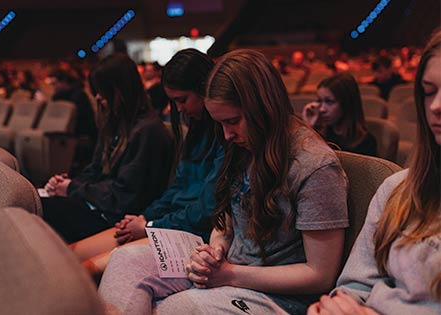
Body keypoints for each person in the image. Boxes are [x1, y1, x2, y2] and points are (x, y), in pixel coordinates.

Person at [98, 49, 349, 315]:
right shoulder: (245, 145)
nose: (227, 135)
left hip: (276, 296)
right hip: (230, 268)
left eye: (232, 121)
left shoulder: (316, 166)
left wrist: (230, 274)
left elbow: (319, 274)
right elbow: (227, 222)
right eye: (220, 124)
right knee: (125, 261)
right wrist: (215, 250)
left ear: (264, 107)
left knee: (173, 309)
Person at [308, 29, 441, 315]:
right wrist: (338, 306)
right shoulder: (396, 188)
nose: (436, 106)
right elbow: (355, 285)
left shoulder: (366, 140)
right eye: (429, 92)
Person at [70, 48, 224, 277]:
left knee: (85, 271)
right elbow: (177, 188)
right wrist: (146, 217)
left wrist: (151, 225)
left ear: (205, 90)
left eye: (182, 100)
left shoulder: (225, 135)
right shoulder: (197, 130)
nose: (179, 109)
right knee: (68, 256)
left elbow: (206, 210)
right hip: (168, 223)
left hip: (191, 233)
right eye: (174, 102)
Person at [42, 53, 174, 243]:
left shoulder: (148, 131)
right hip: (98, 204)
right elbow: (94, 171)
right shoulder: (115, 123)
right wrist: (67, 183)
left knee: (40, 212)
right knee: (33, 207)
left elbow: (124, 197)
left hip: (115, 217)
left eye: (102, 91)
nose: (98, 97)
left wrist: (73, 188)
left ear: (120, 90)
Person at [302, 73, 377, 157]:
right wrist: (309, 126)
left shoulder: (366, 143)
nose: (322, 109)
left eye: (329, 102)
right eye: (319, 101)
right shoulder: (322, 134)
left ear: (347, 104)